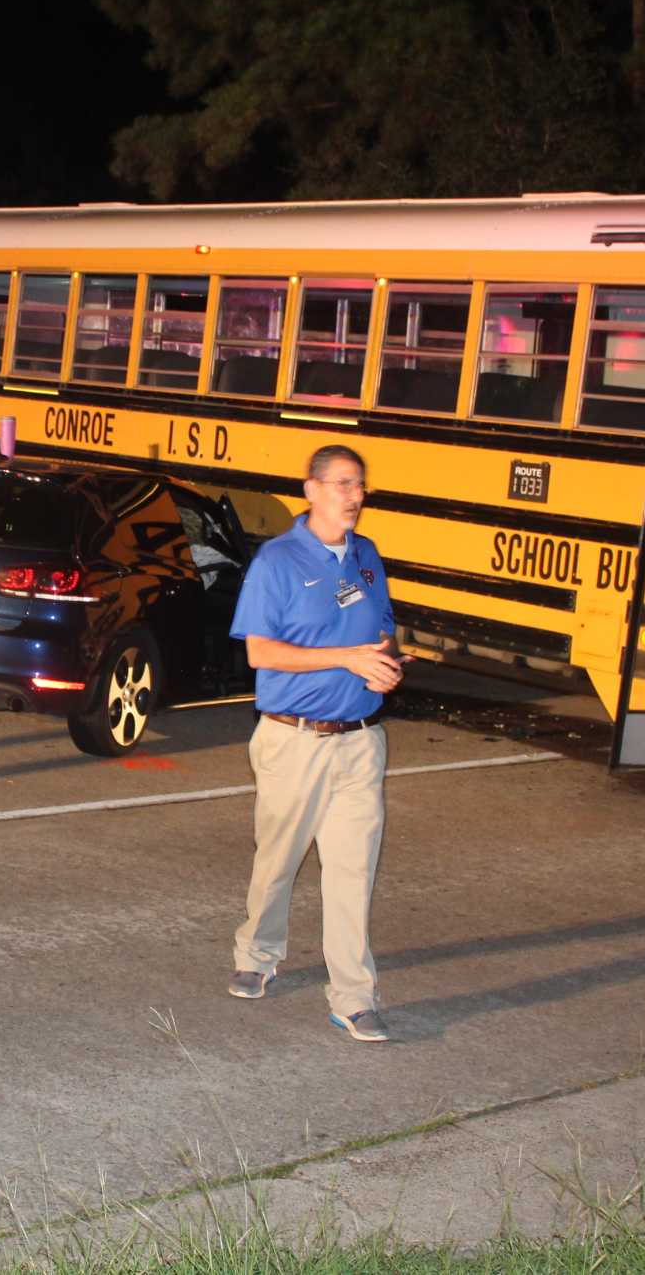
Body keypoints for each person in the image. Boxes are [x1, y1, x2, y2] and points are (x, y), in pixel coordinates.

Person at [226, 443, 410, 1042]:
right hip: (292, 740)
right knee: (278, 860)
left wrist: (386, 662)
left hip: (360, 741)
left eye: (359, 486)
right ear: (311, 490)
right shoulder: (277, 562)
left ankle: (354, 998)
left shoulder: (367, 557)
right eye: (341, 485)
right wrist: (345, 658)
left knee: (353, 872)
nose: (354, 497)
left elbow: (382, 628)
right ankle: (257, 953)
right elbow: (260, 653)